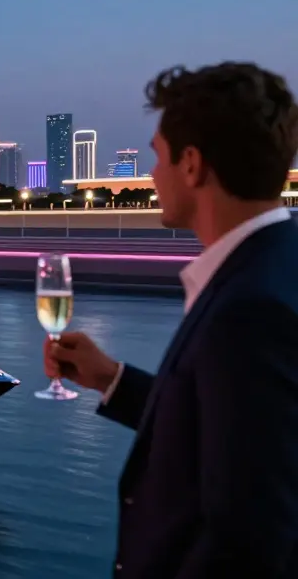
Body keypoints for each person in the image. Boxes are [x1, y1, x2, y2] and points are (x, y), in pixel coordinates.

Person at [44, 62, 298, 578]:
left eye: (156, 156)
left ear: (191, 164)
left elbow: (249, 537)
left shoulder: (248, 312)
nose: (153, 174)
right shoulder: (275, 265)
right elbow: (231, 436)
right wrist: (111, 380)